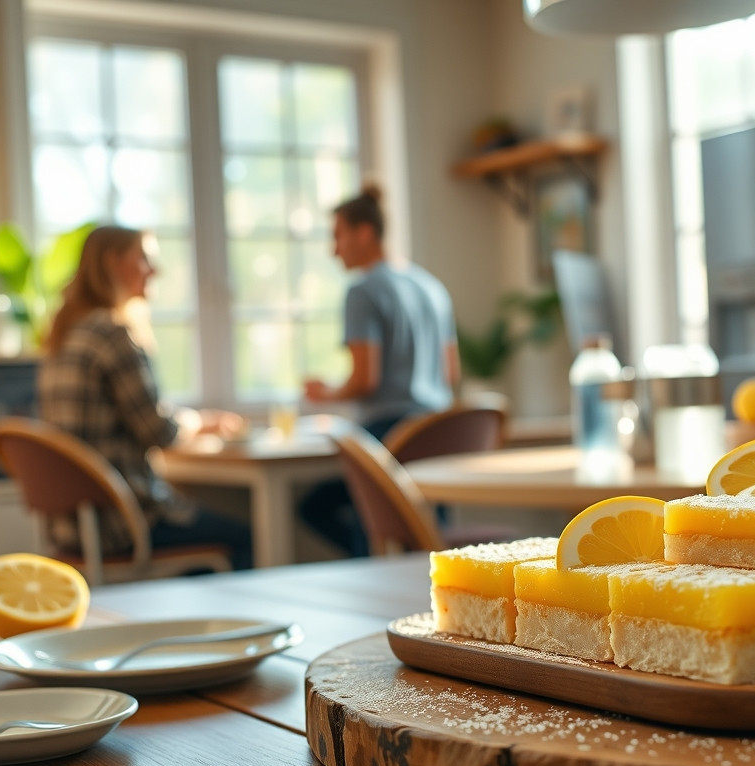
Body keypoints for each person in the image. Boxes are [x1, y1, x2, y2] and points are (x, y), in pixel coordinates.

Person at [38, 225, 253, 570]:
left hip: (73, 528)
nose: (155, 271)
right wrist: (200, 423)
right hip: (122, 523)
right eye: (144, 259)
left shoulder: (65, 334)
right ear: (113, 263)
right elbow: (158, 431)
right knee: (245, 536)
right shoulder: (111, 333)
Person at [299, 184, 459, 556]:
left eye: (337, 235)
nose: (333, 249)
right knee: (429, 538)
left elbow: (365, 380)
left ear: (364, 233)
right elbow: (450, 372)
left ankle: (367, 563)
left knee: (319, 509)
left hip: (388, 438)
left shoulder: (363, 291)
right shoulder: (431, 287)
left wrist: (326, 393)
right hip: (438, 437)